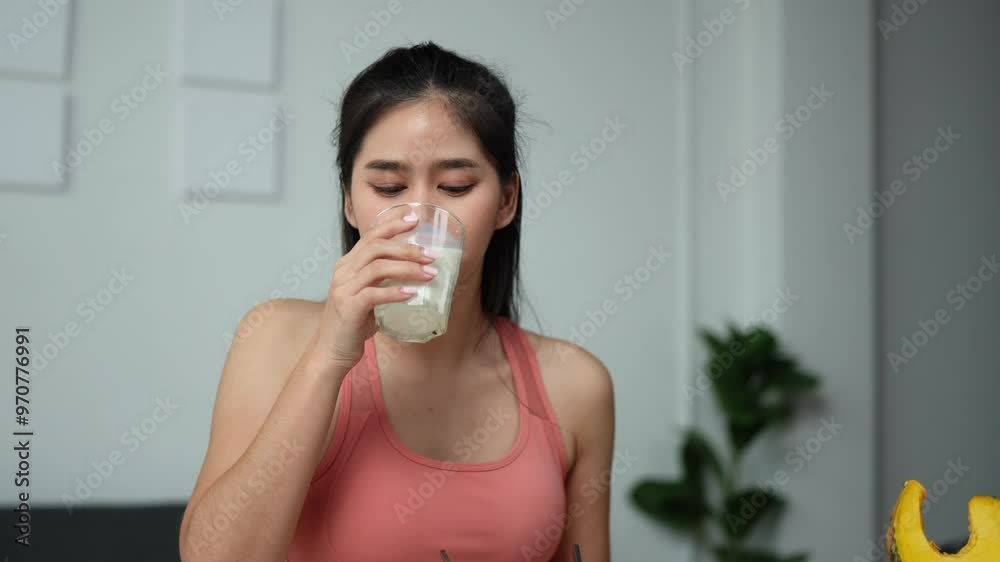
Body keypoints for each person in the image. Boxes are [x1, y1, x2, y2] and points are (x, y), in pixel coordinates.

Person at [178, 41, 615, 562]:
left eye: (456, 186)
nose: (419, 218)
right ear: (348, 200)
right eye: (388, 187)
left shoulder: (576, 386)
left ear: (505, 201)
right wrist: (328, 358)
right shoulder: (275, 338)